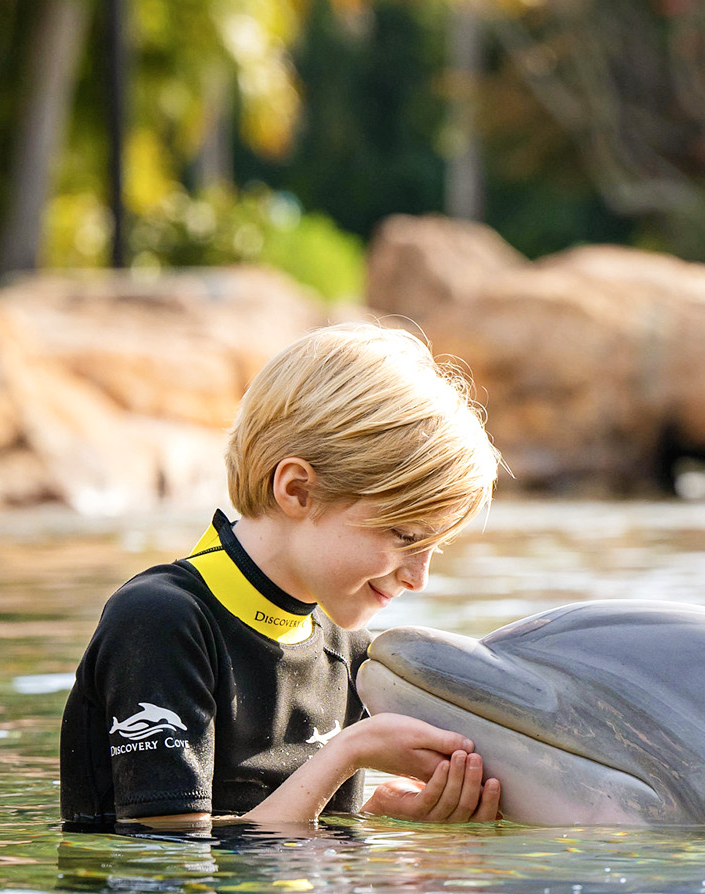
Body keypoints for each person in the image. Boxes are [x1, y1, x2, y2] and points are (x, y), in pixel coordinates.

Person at [60, 323, 503, 832]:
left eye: (434, 548)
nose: (419, 577)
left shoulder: (348, 651)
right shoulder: (163, 621)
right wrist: (349, 752)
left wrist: (374, 816)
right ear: (297, 491)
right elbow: (171, 857)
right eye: (404, 535)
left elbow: (304, 853)